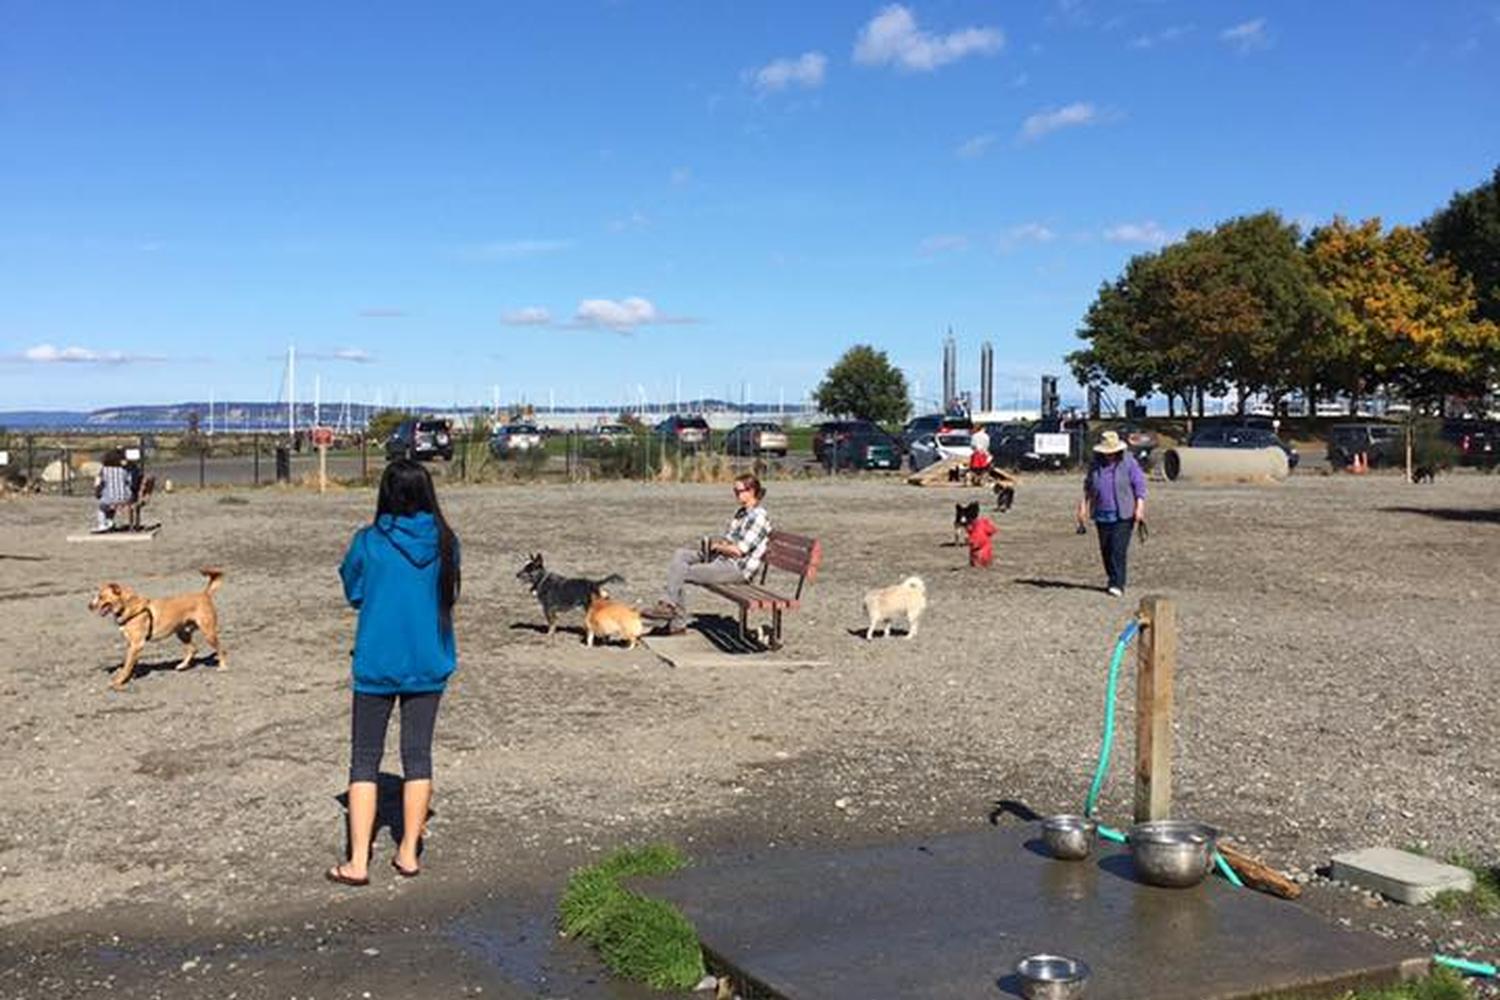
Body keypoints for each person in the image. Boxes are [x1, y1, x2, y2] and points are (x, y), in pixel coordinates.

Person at [327, 459, 460, 886]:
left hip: (377, 662)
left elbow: (354, 590)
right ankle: (408, 853)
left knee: (364, 760)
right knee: (417, 756)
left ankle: (358, 862)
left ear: (386, 493)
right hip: (428, 659)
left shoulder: (368, 541)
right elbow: (450, 593)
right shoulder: (445, 542)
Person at [644, 473, 772, 635]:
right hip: (722, 559)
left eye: (739, 491)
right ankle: (669, 608)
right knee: (680, 555)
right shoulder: (741, 513)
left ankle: (672, 615)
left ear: (752, 491)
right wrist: (715, 546)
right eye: (735, 491)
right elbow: (730, 541)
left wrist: (716, 546)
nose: (736, 495)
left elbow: (740, 551)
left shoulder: (758, 517)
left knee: (681, 572)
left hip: (737, 569)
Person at [1076, 430, 1147, 597]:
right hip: (1102, 513)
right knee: (1106, 549)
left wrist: (1140, 507)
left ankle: (1118, 583)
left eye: (1112, 452)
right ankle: (1112, 578)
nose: (1110, 455)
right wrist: (1083, 506)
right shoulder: (1095, 465)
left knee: (1118, 549)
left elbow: (1139, 485)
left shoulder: (1129, 463)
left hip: (1124, 513)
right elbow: (1088, 487)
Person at [93, 449, 132, 532]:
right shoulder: (124, 470)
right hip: (124, 497)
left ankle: (102, 524)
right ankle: (109, 522)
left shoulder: (103, 470)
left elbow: (98, 483)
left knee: (102, 508)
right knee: (111, 506)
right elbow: (129, 481)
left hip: (109, 498)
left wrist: (97, 492)